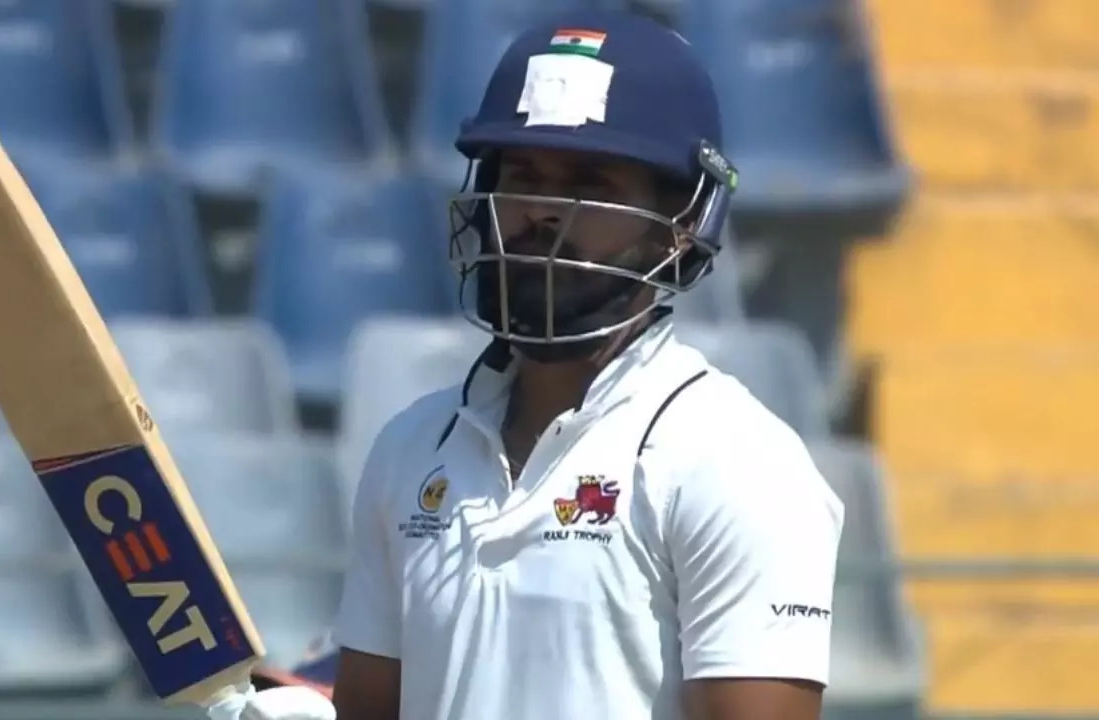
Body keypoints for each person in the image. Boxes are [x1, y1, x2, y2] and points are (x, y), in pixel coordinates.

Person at [207, 9, 844, 720]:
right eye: (523, 175)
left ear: (683, 221)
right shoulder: (410, 449)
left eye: (587, 182)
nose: (541, 212)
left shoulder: (734, 463)